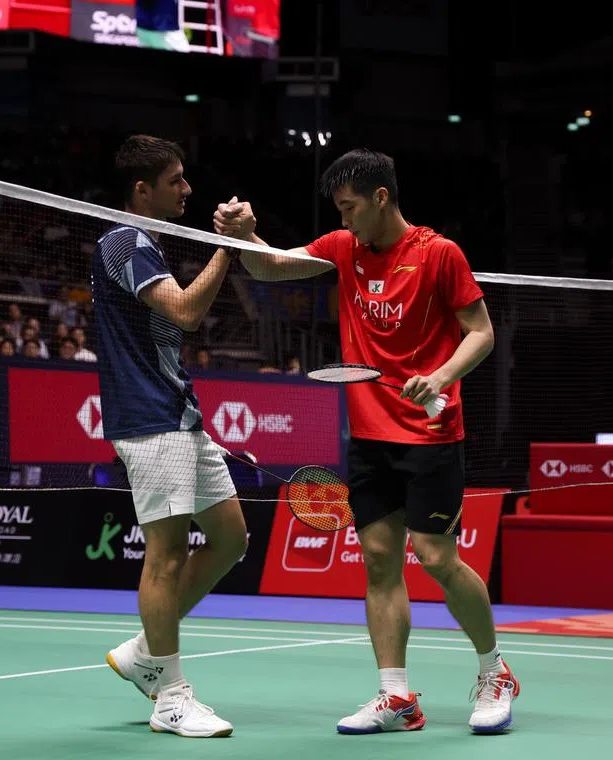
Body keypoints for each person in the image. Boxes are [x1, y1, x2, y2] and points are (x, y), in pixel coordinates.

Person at [213, 148, 519, 735]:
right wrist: (249, 237)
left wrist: (443, 376)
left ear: (382, 197)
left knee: (436, 558)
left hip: (430, 431)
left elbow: (480, 331)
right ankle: (396, 697)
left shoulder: (438, 254)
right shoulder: (342, 248)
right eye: (338, 210)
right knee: (379, 563)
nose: (344, 219)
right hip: (369, 435)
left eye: (350, 207)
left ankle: (494, 672)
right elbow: (273, 267)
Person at [93, 134, 246, 738]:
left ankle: (142, 653)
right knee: (166, 555)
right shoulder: (122, 241)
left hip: (180, 413)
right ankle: (170, 697)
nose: (187, 189)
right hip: (147, 418)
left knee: (230, 537)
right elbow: (182, 311)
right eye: (176, 180)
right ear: (142, 189)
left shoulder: (148, 243)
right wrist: (227, 249)